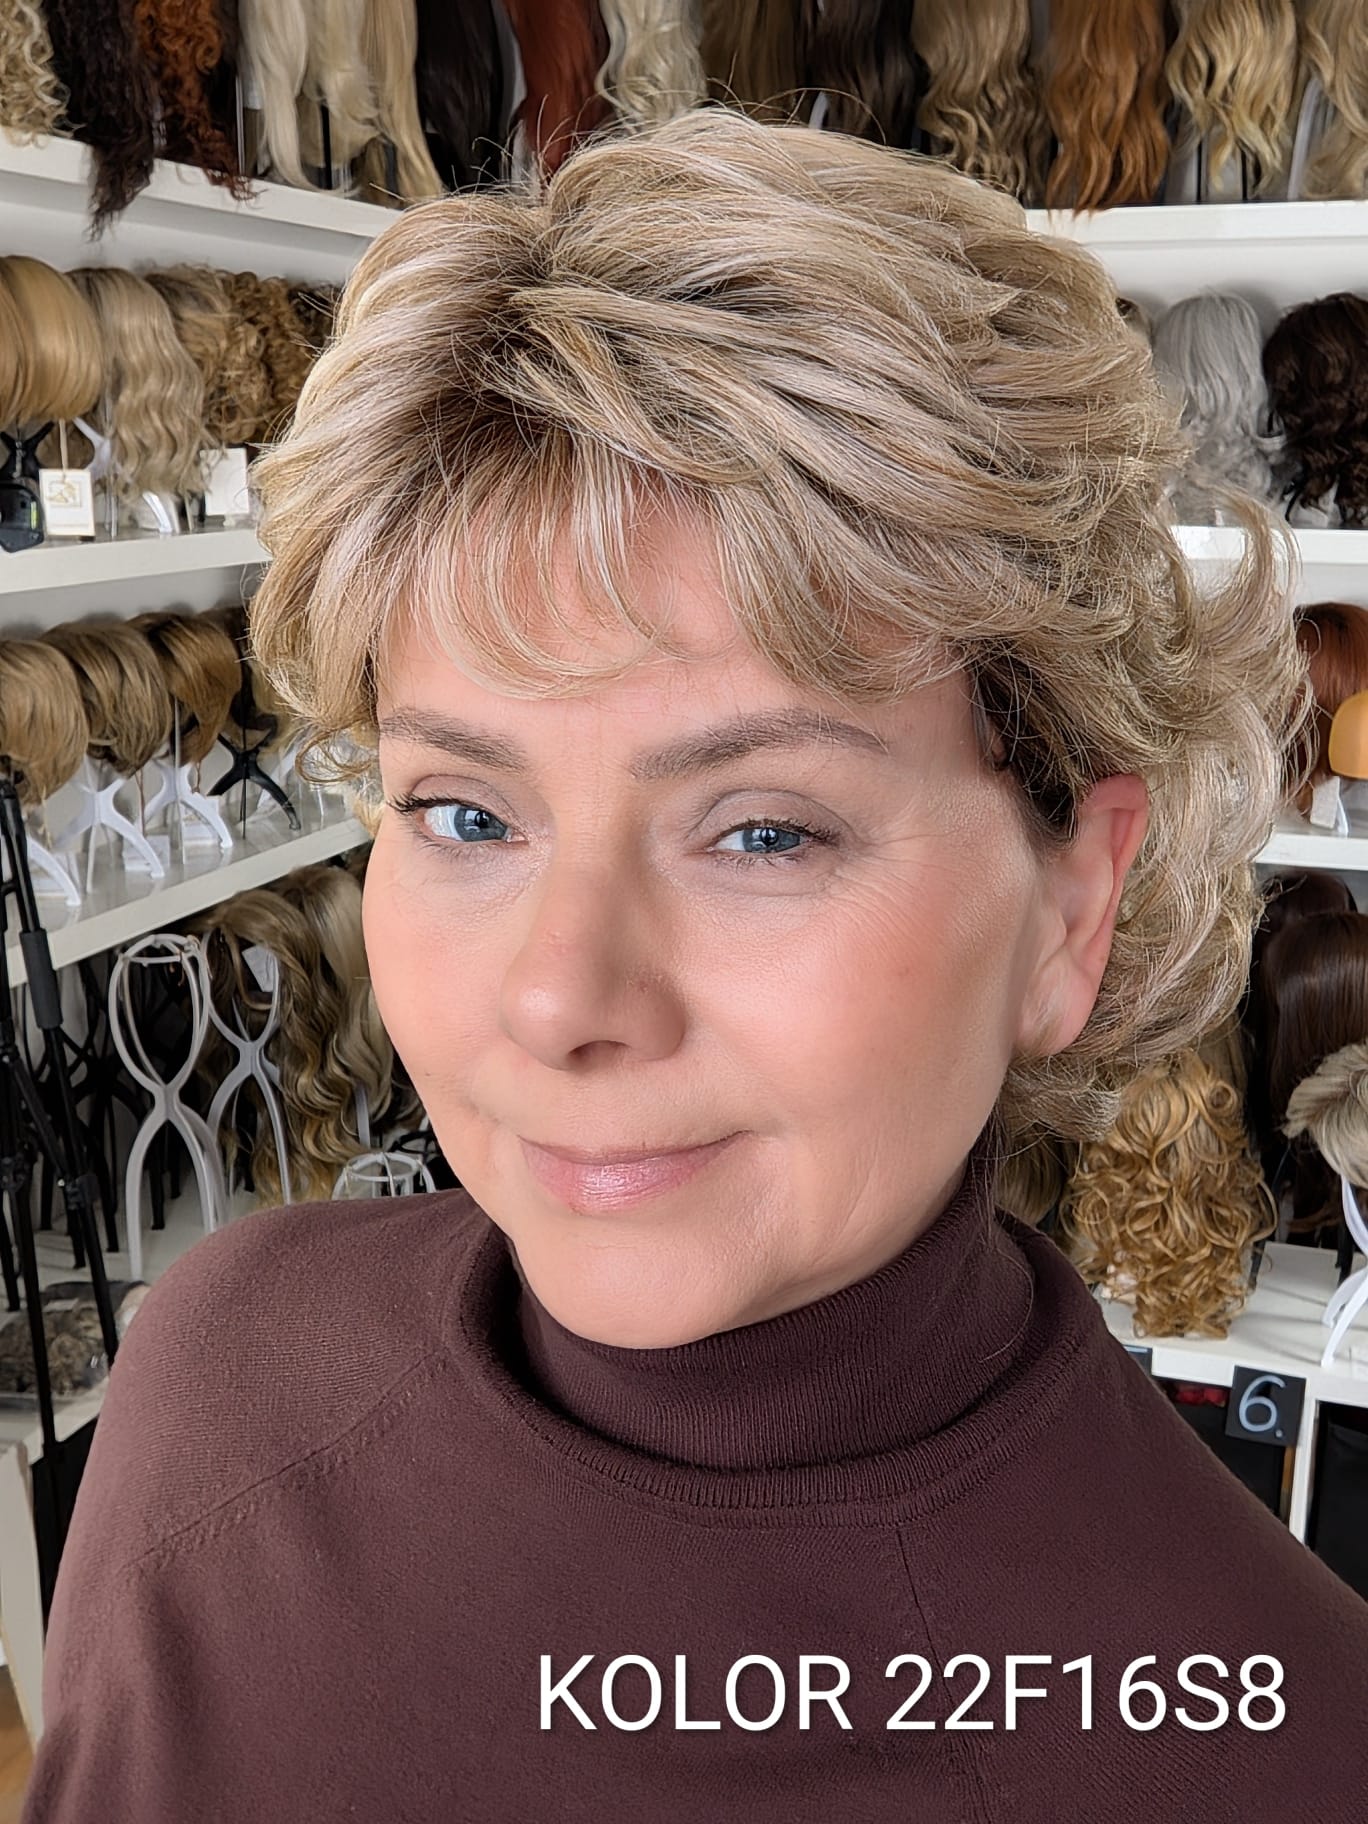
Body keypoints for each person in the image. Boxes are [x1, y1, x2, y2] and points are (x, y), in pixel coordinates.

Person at [23, 109, 1368, 1823]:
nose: (558, 999)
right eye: (465, 814)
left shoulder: (1281, 1751)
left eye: (764, 834)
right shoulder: (219, 1380)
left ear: (1069, 909)